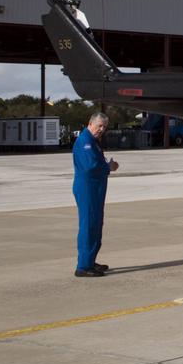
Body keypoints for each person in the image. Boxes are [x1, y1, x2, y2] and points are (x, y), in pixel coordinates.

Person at [73, 112, 118, 277]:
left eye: (104, 127)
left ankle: (90, 260)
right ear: (90, 123)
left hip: (95, 189)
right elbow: (90, 166)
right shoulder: (85, 141)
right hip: (88, 189)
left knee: (96, 225)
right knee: (89, 225)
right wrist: (109, 167)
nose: (101, 129)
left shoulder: (93, 142)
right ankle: (83, 266)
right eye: (99, 126)